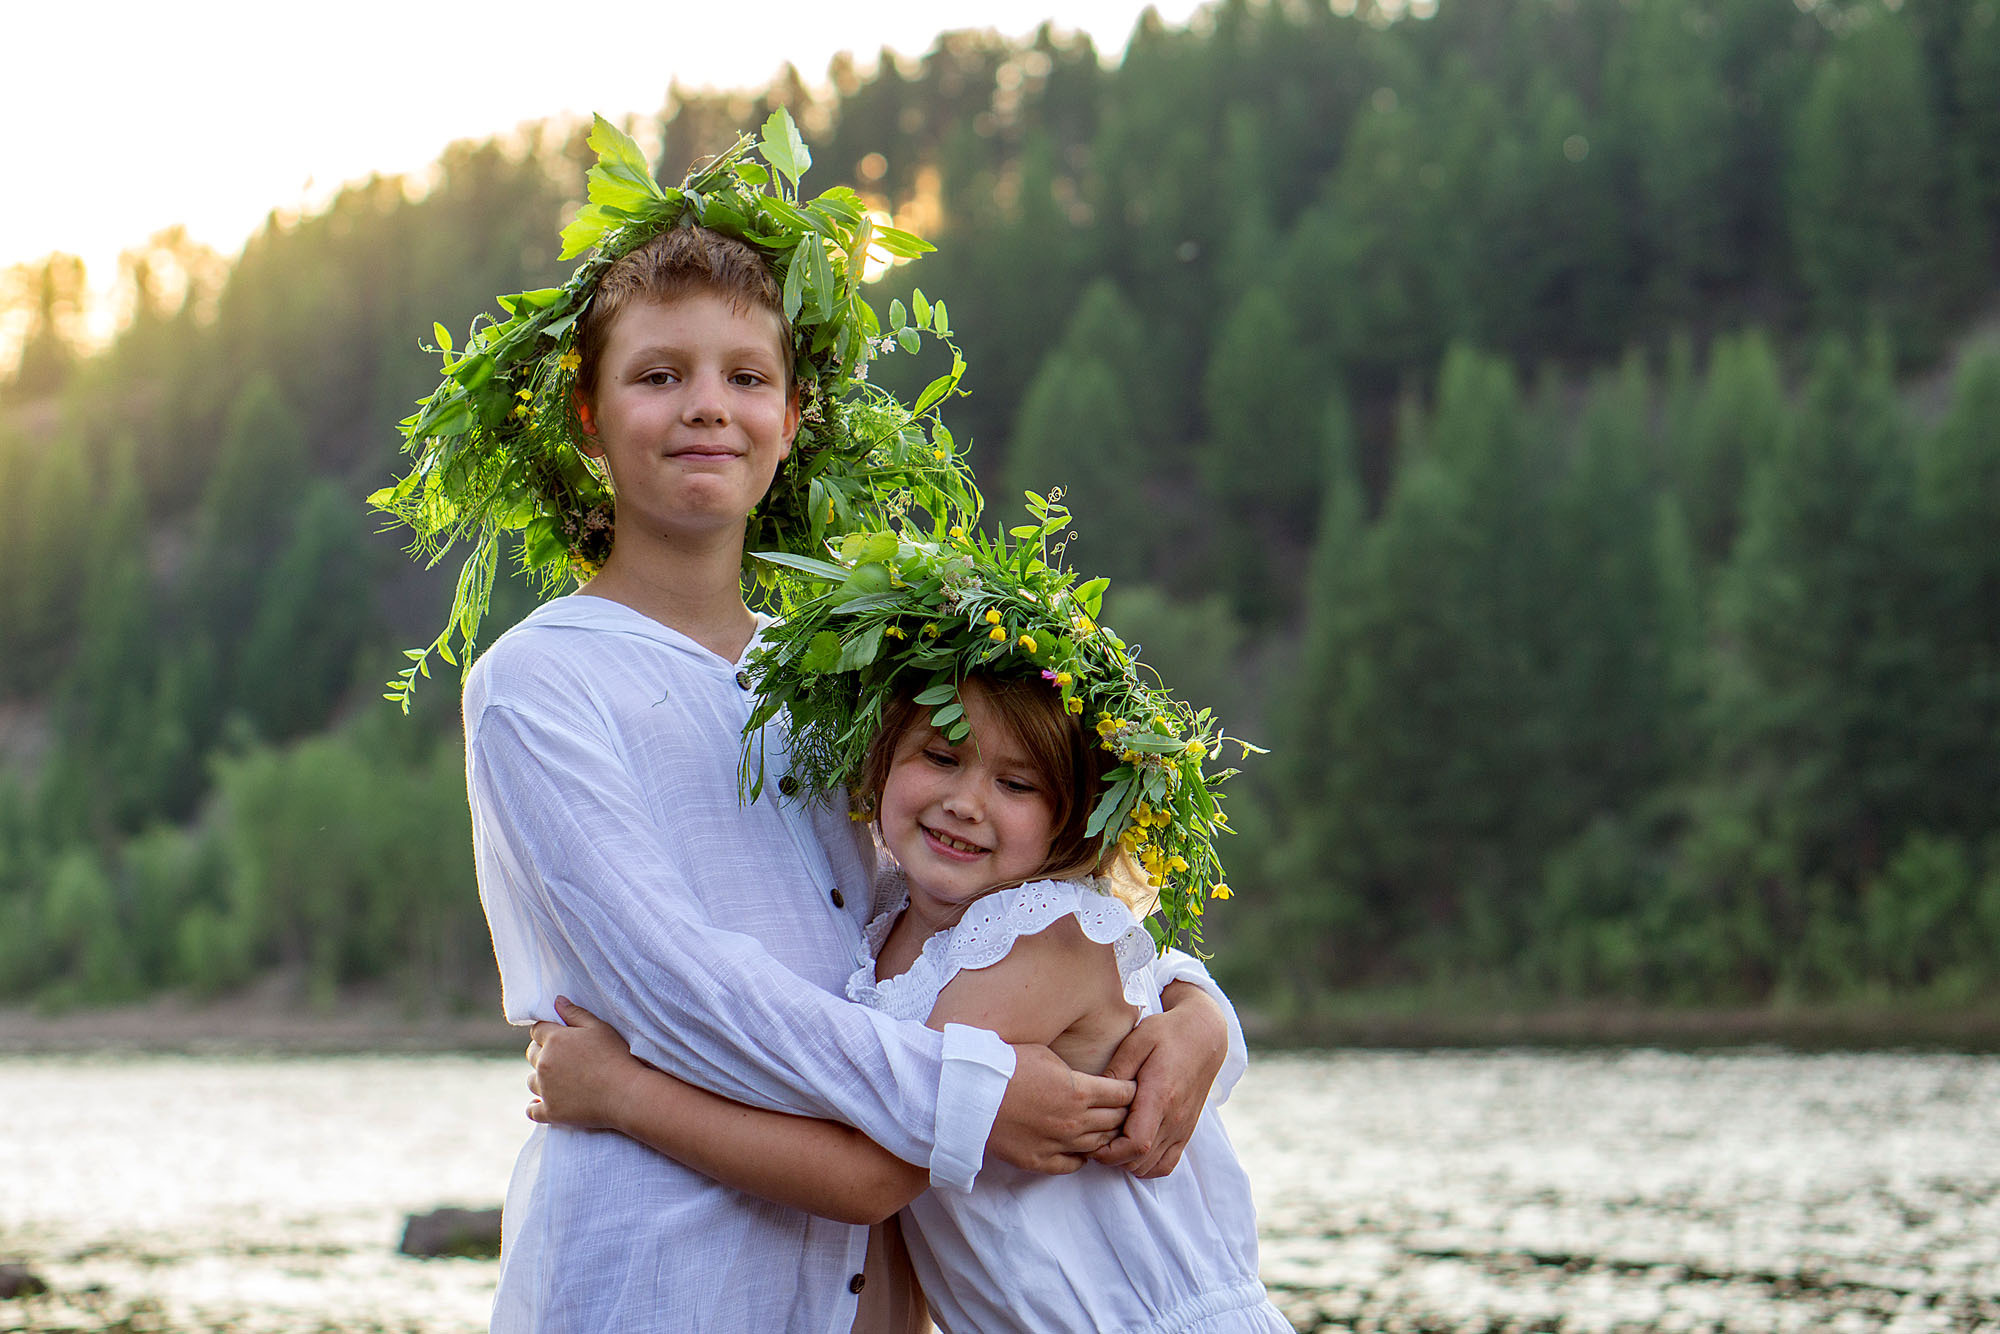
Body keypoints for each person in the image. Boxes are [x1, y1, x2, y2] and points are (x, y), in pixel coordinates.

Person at [374, 116, 1243, 1333]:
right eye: (657, 374)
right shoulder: (539, 683)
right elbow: (680, 992)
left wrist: (1190, 1009)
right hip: (657, 1267)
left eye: (745, 378)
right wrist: (969, 1091)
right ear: (587, 413)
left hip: (856, 1280)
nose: (704, 410)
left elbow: (961, 910)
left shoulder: (830, 675)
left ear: (792, 421)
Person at [525, 515, 1285, 1333]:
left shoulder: (1038, 938)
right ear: (881, 758)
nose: (967, 802)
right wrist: (1197, 1008)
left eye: (1018, 784)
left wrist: (619, 1093)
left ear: (1071, 820)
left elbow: (865, 1178)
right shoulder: (888, 913)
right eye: (942, 756)